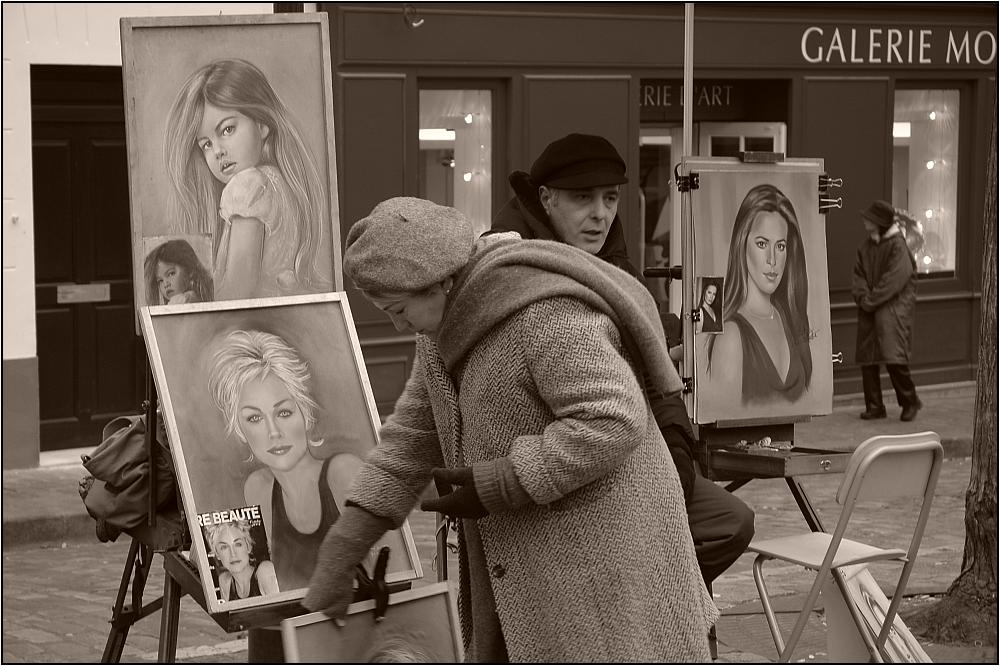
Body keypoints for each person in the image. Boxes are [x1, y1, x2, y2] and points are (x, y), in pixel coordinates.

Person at [304, 197, 718, 662]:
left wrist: (505, 480)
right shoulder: (440, 331)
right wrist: (346, 544)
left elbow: (612, 417)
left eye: (398, 308)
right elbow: (410, 442)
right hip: (532, 569)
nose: (397, 324)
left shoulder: (540, 312)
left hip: (607, 569)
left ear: (440, 281)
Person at [490, 132, 754, 587]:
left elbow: (655, 380)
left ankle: (653, 609)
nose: (600, 214)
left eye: (610, 198)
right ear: (546, 198)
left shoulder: (616, 266)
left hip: (633, 455)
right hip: (558, 466)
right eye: (583, 198)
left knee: (729, 521)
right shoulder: (510, 267)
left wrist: (676, 460)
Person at [207, 329, 369, 591]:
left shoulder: (343, 474)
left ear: (304, 413)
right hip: (289, 627)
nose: (273, 432)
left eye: (283, 412)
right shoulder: (258, 488)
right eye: (254, 418)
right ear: (240, 429)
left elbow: (393, 573)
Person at [164, 58, 332, 300]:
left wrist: (196, 304)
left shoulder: (248, 187)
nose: (218, 150)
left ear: (262, 124)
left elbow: (238, 293)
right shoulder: (280, 183)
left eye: (227, 129)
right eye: (206, 144)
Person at [708, 183, 813, 405]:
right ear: (741, 245)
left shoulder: (789, 318)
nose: (772, 260)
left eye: (781, 246)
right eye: (762, 243)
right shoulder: (731, 336)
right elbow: (724, 421)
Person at [852, 200, 921, 421]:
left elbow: (894, 280)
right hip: (872, 308)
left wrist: (868, 300)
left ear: (879, 223)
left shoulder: (898, 247)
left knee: (895, 360)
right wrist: (863, 297)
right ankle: (874, 406)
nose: (864, 220)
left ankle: (910, 402)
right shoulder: (866, 246)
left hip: (892, 311)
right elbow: (858, 275)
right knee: (868, 360)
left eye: (868, 218)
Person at [204, 519, 279, 601]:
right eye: (224, 547)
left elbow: (282, 611)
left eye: (238, 544)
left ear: (248, 546)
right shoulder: (225, 581)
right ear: (217, 554)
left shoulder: (265, 571)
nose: (233, 554)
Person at [143, 238, 213, 305]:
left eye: (171, 274)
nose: (166, 284)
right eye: (160, 281)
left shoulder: (183, 300)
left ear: (190, 270)